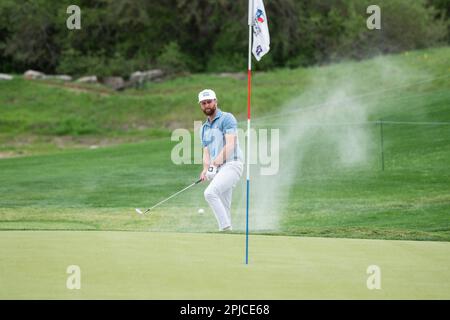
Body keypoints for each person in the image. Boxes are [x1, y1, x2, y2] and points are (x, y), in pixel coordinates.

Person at [198, 89, 244, 231]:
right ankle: (228, 235)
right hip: (218, 168)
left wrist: (214, 164)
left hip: (232, 164)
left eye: (209, 102)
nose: (207, 105)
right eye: (204, 103)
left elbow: (231, 144)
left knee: (210, 193)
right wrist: (206, 169)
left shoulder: (227, 118)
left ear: (215, 101)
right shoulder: (204, 128)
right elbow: (206, 151)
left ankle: (224, 228)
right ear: (201, 105)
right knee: (224, 206)